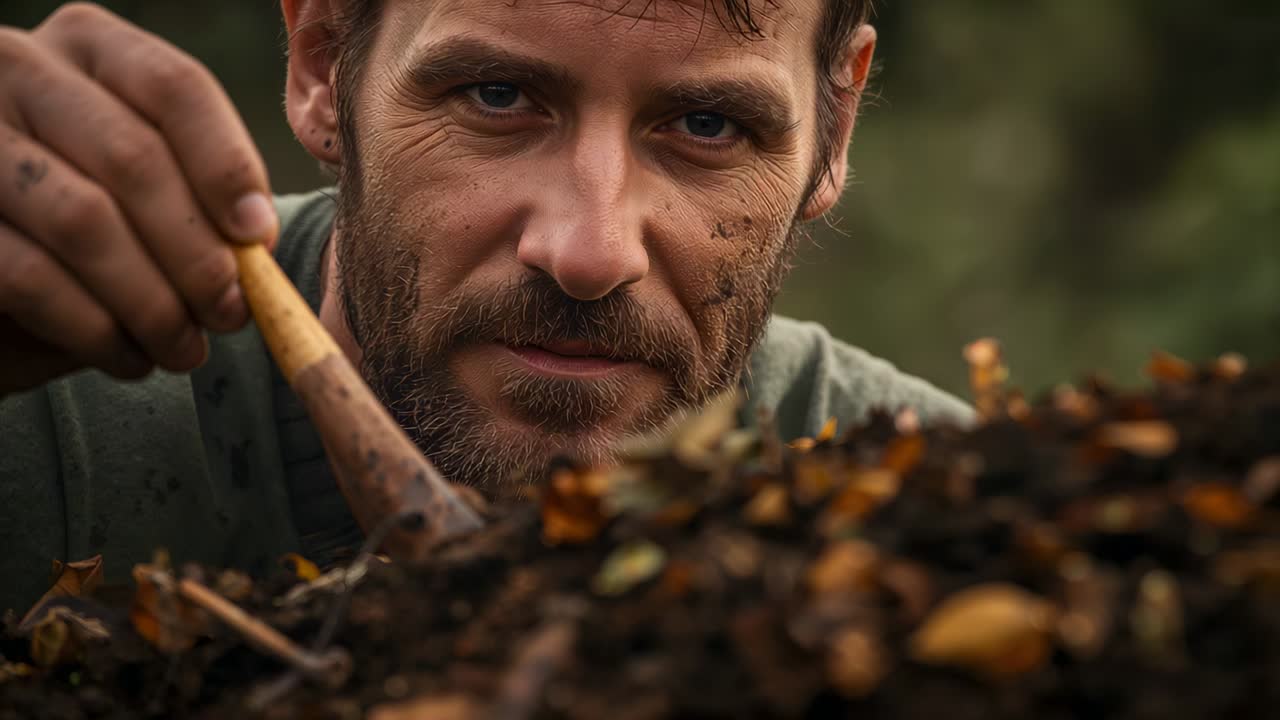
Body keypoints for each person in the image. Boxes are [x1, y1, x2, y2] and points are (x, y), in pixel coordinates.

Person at [0, 0, 971, 612]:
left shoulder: (956, 523)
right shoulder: (35, 412)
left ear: (832, 128)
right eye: (497, 96)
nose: (590, 253)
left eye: (706, 125)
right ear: (320, 65)